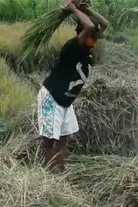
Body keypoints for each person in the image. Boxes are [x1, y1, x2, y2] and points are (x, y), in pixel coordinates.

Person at [37, 0, 109, 172]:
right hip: (52, 98)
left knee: (64, 136)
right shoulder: (73, 47)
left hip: (65, 102)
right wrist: (73, 9)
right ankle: (50, 176)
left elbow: (104, 24)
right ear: (82, 33)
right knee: (49, 140)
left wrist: (85, 8)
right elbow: (90, 27)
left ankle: (61, 170)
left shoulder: (86, 50)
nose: (95, 40)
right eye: (92, 37)